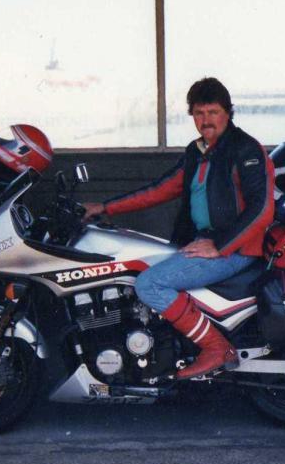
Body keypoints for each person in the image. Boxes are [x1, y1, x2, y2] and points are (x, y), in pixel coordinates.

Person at [83, 77, 274, 379]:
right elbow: (159, 190)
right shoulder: (198, 151)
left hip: (235, 249)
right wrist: (105, 208)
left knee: (148, 284)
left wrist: (219, 245)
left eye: (213, 112)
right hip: (205, 242)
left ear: (228, 112)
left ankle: (216, 348)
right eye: (199, 113)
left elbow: (262, 209)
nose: (206, 120)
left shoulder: (245, 149)